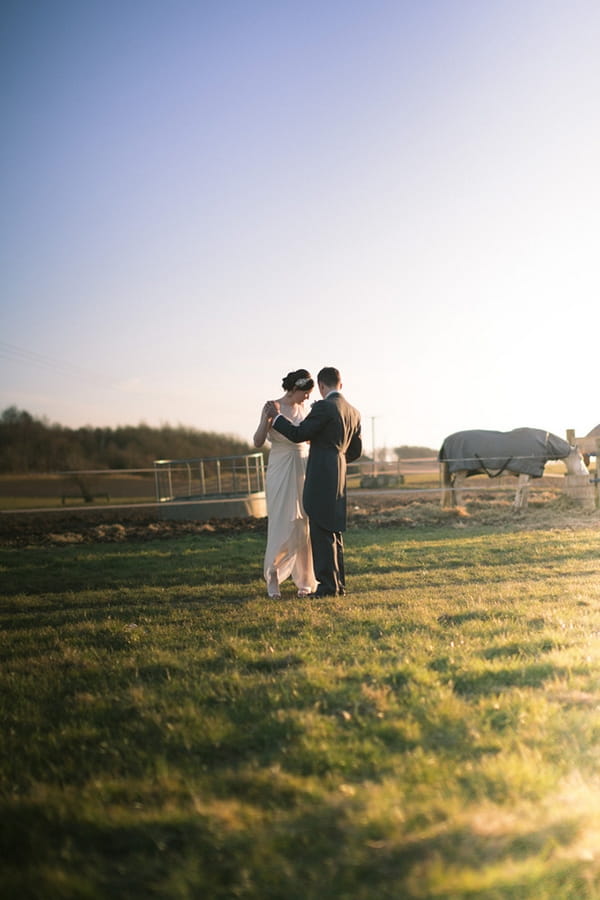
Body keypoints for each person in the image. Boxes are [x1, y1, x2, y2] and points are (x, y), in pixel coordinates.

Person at [267, 366, 362, 598]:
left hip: (320, 472)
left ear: (320, 385)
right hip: (338, 472)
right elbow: (356, 451)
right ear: (340, 383)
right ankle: (338, 585)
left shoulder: (324, 407)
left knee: (320, 530)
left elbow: (299, 434)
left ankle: (328, 587)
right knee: (334, 531)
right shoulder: (353, 411)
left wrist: (277, 418)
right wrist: (336, 456)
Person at [254, 369, 318, 600]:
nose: (307, 398)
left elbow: (309, 437)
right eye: (306, 393)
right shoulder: (272, 406)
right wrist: (268, 420)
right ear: (295, 389)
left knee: (303, 522)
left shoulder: (306, 410)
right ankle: (273, 576)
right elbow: (258, 440)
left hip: (303, 464)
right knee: (281, 521)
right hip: (280, 466)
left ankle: (304, 579)